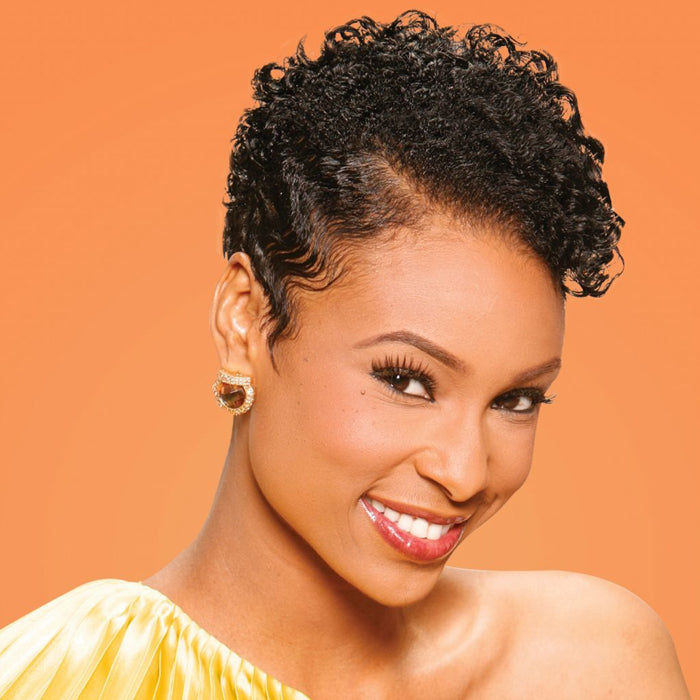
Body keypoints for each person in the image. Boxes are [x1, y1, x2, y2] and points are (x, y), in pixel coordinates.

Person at [0, 9, 690, 699]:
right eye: (406, 380)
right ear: (246, 320)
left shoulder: (594, 667)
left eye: (516, 399)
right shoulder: (65, 679)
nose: (465, 473)